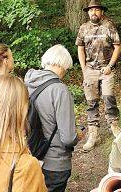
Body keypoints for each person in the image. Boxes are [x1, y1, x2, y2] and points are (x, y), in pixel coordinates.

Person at [24, 45, 82, 192]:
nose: (65, 72)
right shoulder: (59, 90)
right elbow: (68, 138)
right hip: (55, 163)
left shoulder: (26, 84)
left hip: (29, 158)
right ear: (61, 64)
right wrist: (79, 135)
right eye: (66, 68)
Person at [76, 0, 121, 151]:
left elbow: (117, 47)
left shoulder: (109, 26)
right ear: (88, 12)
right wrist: (84, 69)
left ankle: (115, 127)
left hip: (106, 69)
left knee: (108, 97)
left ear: (102, 12)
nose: (93, 12)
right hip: (90, 69)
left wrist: (110, 66)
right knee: (91, 102)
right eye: (91, 10)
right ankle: (93, 134)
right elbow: (80, 48)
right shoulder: (83, 28)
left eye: (96, 10)